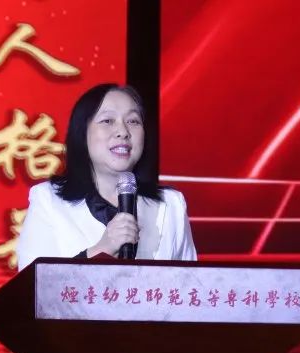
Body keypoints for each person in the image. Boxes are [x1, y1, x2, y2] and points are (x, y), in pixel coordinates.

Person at [16, 83, 196, 270]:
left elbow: (193, 282)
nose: (123, 132)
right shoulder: (48, 200)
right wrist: (101, 249)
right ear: (82, 133)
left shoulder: (172, 203)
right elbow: (32, 283)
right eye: (108, 121)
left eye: (133, 121)